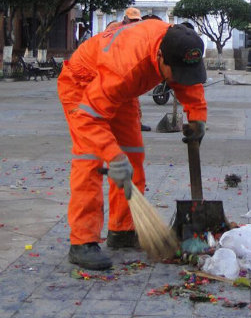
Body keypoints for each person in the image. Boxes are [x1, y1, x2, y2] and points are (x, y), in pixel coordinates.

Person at [57, 19, 207, 270]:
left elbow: (187, 82)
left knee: (133, 155)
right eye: (177, 72)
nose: (182, 78)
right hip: (83, 84)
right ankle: (82, 241)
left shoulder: (177, 45)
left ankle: (122, 230)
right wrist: (113, 156)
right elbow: (88, 118)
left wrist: (198, 117)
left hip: (121, 91)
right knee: (90, 159)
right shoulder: (125, 65)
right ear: (160, 57)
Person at [107, 8, 152, 131]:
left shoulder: (139, 31)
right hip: (112, 67)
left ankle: (136, 122)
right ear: (125, 19)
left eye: (136, 21)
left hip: (130, 67)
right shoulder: (114, 28)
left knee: (133, 97)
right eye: (132, 20)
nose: (134, 23)